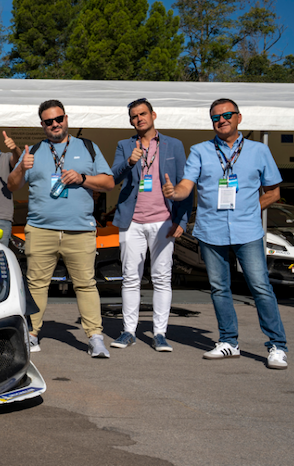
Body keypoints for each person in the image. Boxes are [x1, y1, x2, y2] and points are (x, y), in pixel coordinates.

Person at [163, 98, 288, 370]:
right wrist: (175, 193)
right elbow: (187, 185)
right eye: (216, 117)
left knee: (260, 288)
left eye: (227, 115)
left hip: (248, 230)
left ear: (239, 118)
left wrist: (250, 209)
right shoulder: (200, 151)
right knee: (220, 288)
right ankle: (229, 341)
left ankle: (277, 346)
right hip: (211, 230)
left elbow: (274, 192)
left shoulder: (258, 151)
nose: (222, 120)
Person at [7, 100, 115, 357]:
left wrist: (83, 178)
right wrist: (22, 166)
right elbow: (11, 185)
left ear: (66, 118)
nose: (55, 125)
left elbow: (109, 182)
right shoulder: (32, 150)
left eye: (59, 119)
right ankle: (32, 334)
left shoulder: (87, 147)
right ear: (42, 124)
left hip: (80, 229)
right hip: (41, 230)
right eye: (48, 121)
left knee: (86, 284)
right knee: (36, 284)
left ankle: (95, 337)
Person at [109, 98, 192, 352]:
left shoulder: (173, 145)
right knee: (130, 279)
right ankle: (128, 331)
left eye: (143, 114)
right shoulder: (125, 146)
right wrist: (130, 162)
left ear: (153, 115)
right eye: (134, 116)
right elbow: (113, 178)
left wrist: (181, 219)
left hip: (163, 220)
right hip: (131, 221)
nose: (139, 119)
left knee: (161, 278)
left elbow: (186, 184)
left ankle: (159, 333)